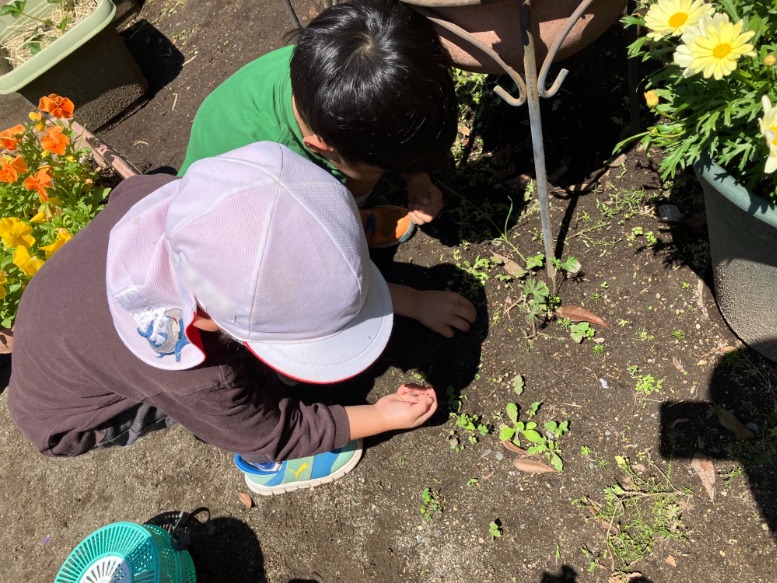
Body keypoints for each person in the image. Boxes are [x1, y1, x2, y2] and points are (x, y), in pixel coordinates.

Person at [7, 143, 458, 496]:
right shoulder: (198, 375)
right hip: (68, 418)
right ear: (207, 318)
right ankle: (268, 469)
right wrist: (380, 415)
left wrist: (414, 302)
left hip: (51, 313)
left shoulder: (162, 199)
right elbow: (270, 430)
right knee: (239, 408)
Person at [179, 0, 457, 246]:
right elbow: (286, 264)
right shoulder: (274, 175)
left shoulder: (335, 63)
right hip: (226, 219)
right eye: (387, 168)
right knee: (317, 234)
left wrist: (416, 175)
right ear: (320, 147)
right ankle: (353, 223)